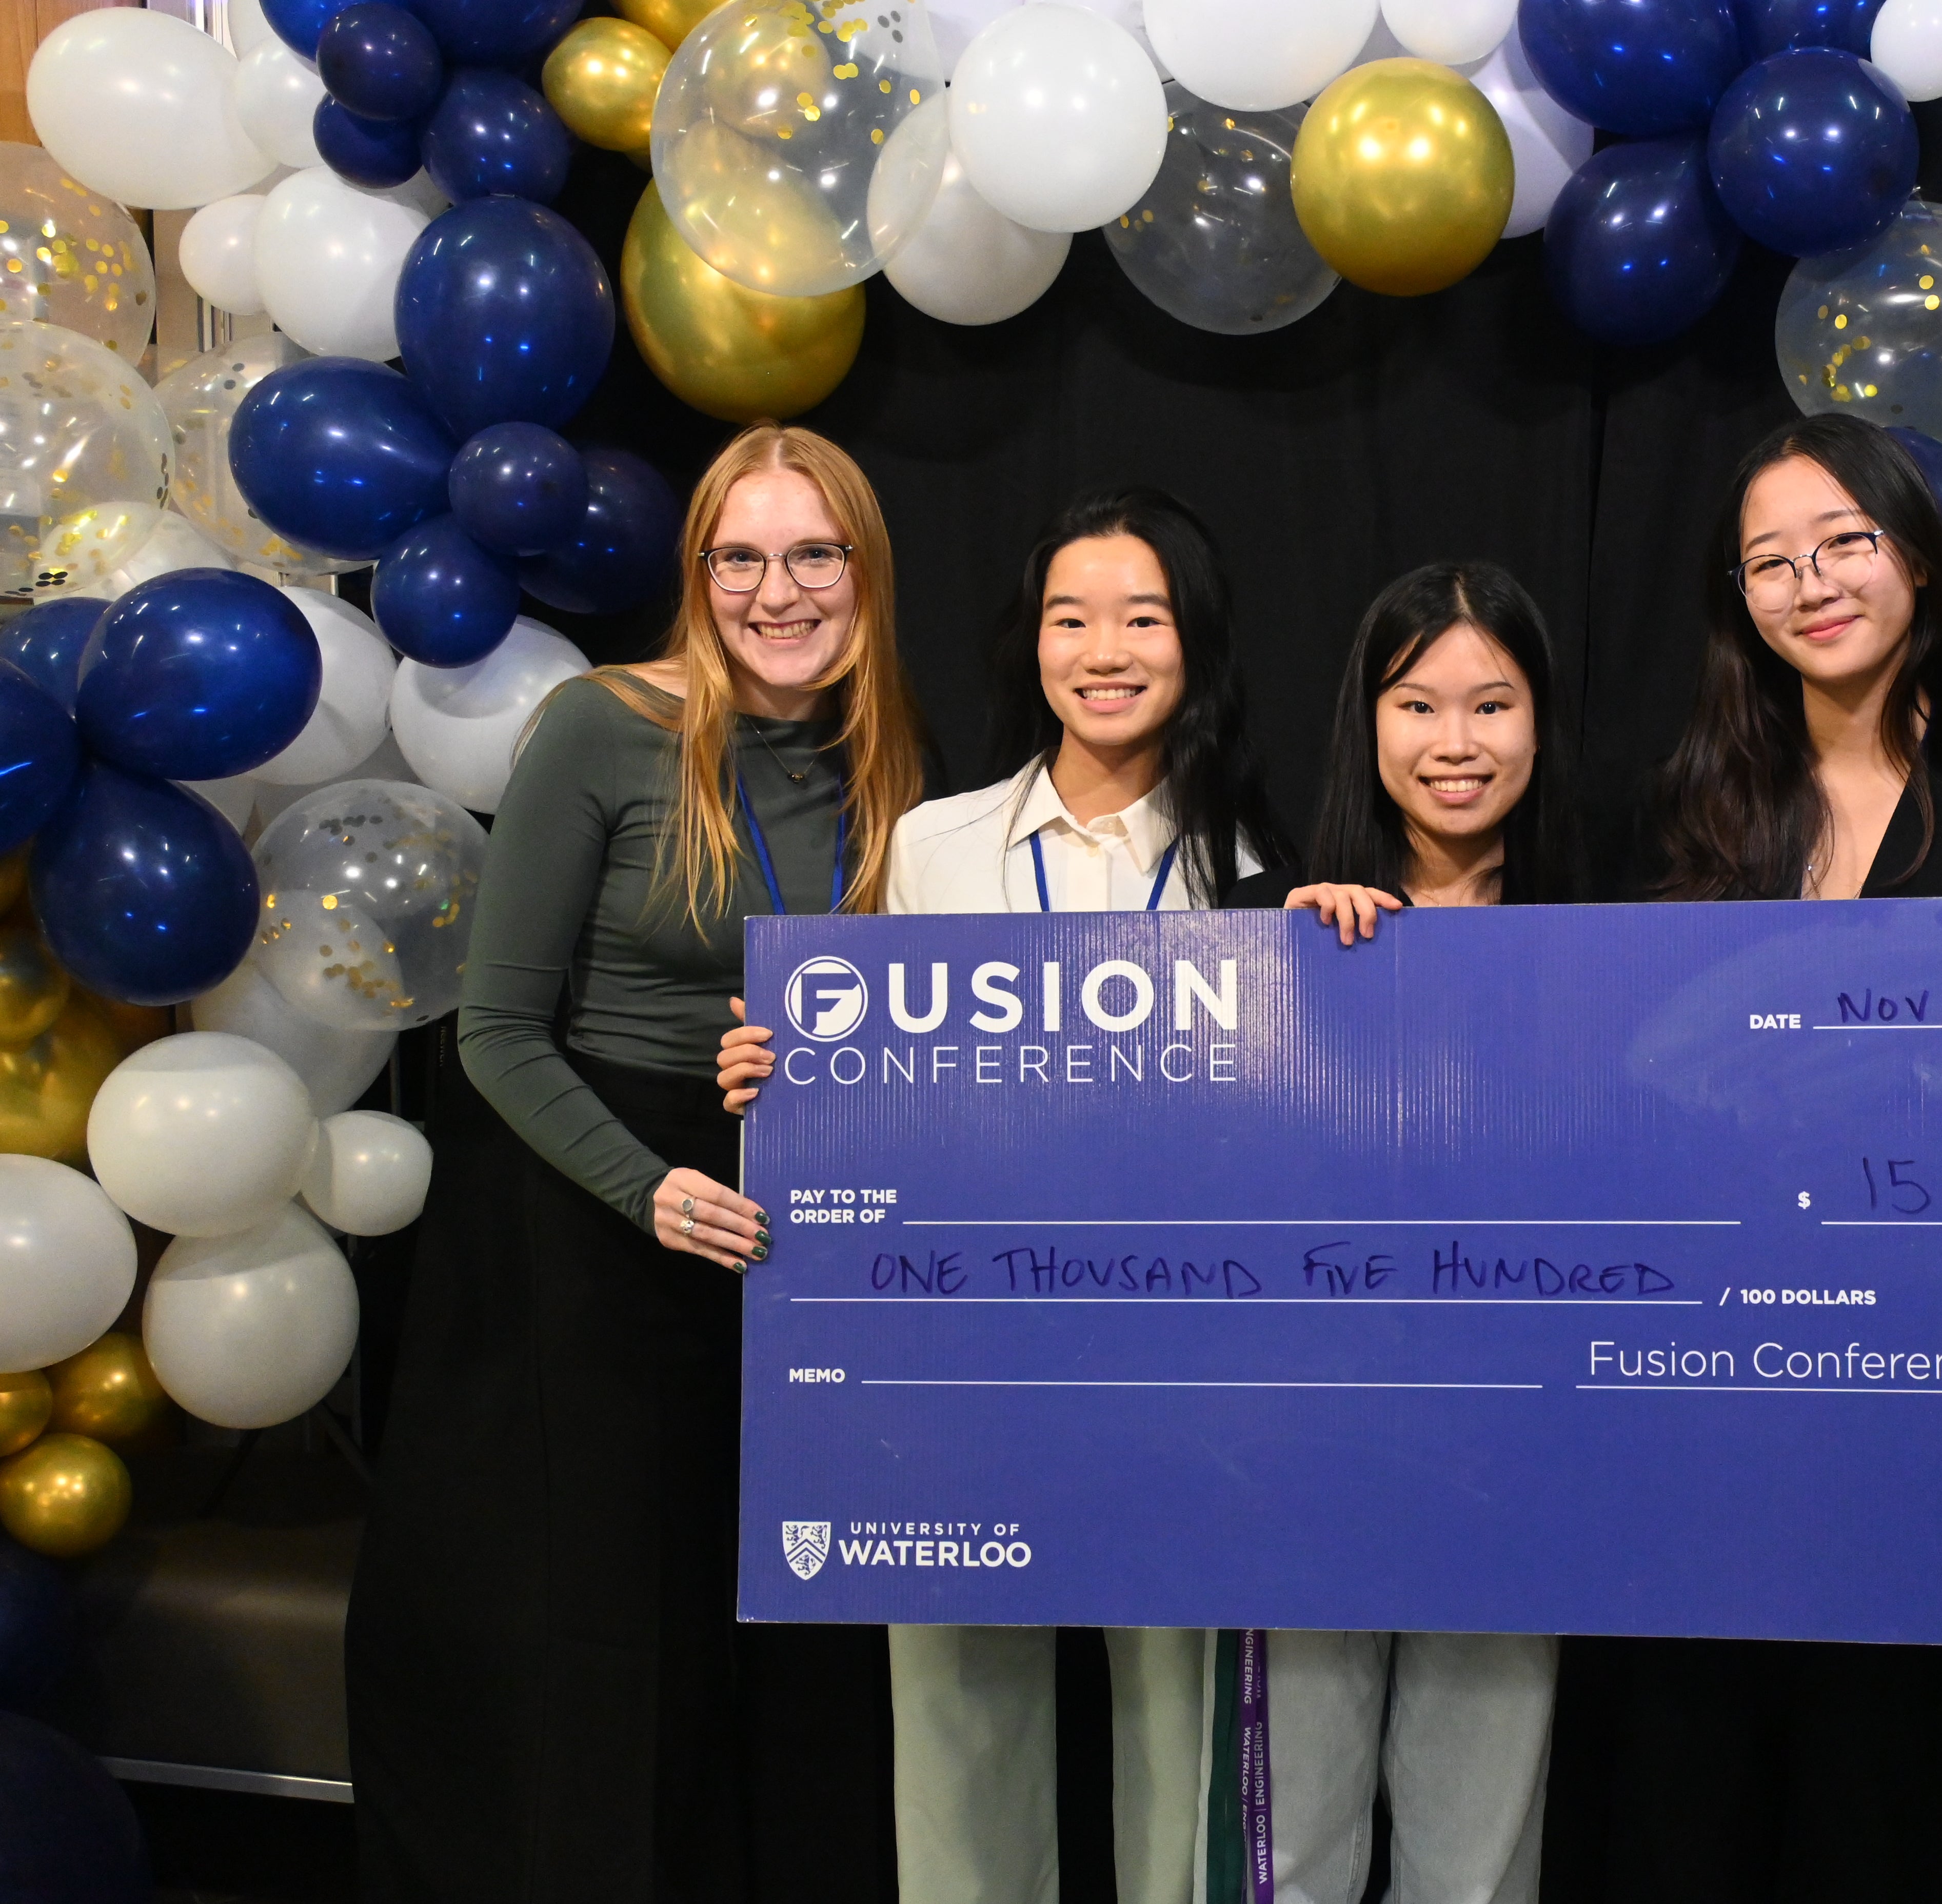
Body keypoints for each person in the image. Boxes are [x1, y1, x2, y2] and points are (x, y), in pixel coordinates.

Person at [346, 424, 931, 1902]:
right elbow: (495, 1031)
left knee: (793, 1613)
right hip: (603, 1202)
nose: (777, 592)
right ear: (699, 574)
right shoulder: (601, 729)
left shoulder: (889, 756)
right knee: (616, 1627)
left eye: (813, 554)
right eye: (741, 558)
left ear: (864, 570)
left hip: (792, 1206)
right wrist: (647, 1187)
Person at [720, 487, 1290, 1904]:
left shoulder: (1257, 871)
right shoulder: (937, 844)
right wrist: (786, 1076)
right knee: (956, 1716)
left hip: (1178, 1359)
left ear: (1196, 640)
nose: (1105, 650)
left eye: (1143, 618)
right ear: (1031, 643)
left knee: (1180, 1719)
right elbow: (876, 1087)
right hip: (959, 1352)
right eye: (1070, 618)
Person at [1592, 411, 1942, 1901]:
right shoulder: (1680, 808)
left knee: (1880, 1807)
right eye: (1768, 561)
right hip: (1702, 1404)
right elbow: (1608, 1082)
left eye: (1844, 543)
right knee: (1686, 1801)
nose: (1809, 583)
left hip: (1927, 1409)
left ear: (1922, 562)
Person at [1221, 561, 1579, 1904]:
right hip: (1310, 1456)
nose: (1456, 742)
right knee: (1299, 1853)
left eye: (1493, 703)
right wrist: (1283, 987)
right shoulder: (1270, 927)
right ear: (1366, 722)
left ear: (1540, 721)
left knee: (1476, 1862)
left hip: (1516, 1454)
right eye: (1418, 704)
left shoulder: (1609, 937)